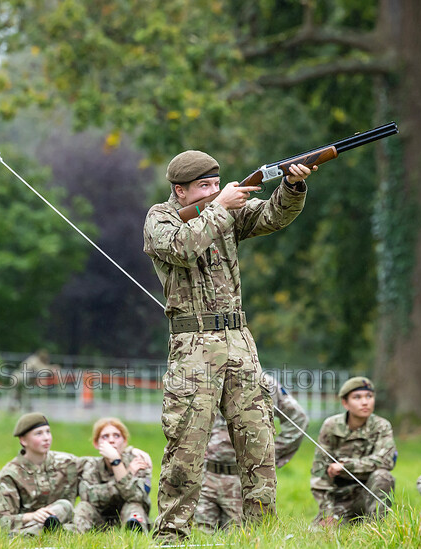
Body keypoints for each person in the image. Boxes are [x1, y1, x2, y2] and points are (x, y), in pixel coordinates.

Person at [142, 150, 316, 542]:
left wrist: (292, 185)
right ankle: (171, 536)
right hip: (193, 345)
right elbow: (181, 249)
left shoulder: (224, 210)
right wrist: (218, 208)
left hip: (239, 340)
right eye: (204, 187)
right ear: (180, 190)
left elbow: (272, 216)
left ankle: (260, 536)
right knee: (186, 447)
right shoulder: (160, 218)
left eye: (216, 185)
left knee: (259, 443)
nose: (215, 191)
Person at [195, 373, 309, 532]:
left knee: (237, 537)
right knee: (199, 537)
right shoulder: (208, 378)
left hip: (243, 479)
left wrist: (268, 454)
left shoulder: (264, 382)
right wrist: (196, 446)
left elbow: (298, 420)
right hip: (205, 476)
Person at [0, 412, 78, 535]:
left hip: (54, 518)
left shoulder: (67, 462)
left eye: (48, 432)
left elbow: (94, 467)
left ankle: (28, 534)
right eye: (38, 433)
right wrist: (31, 516)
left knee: (64, 506)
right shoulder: (10, 474)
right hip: (20, 524)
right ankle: (36, 532)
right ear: (23, 440)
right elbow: (0, 520)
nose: (46, 438)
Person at [310, 376, 397, 526]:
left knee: (383, 476)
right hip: (339, 500)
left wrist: (345, 466)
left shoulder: (382, 426)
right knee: (319, 535)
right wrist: (327, 512)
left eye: (369, 396)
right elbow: (320, 472)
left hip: (368, 495)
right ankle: (344, 520)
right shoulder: (331, 426)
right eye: (357, 397)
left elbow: (385, 461)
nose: (365, 402)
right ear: (345, 403)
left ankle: (376, 528)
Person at [72, 417, 153, 533]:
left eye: (116, 436)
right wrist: (127, 473)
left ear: (124, 441)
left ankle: (134, 536)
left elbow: (138, 497)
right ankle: (76, 539)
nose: (111, 440)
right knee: (83, 507)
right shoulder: (91, 466)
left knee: (134, 506)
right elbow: (88, 497)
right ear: (96, 443)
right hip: (99, 520)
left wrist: (117, 463)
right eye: (105, 436)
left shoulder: (138, 462)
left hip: (128, 515)